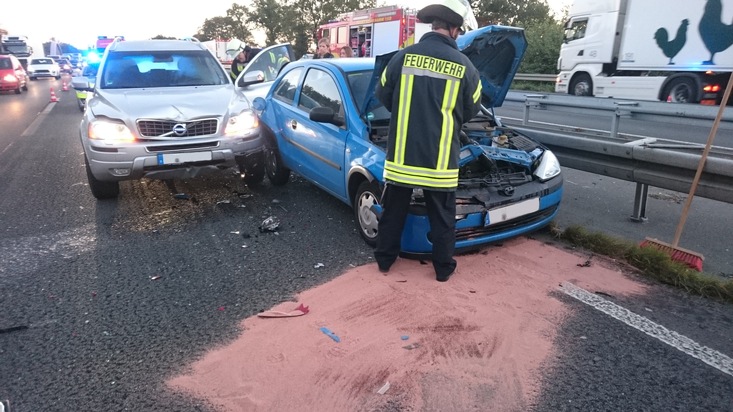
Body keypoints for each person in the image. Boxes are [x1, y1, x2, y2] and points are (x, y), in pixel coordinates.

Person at [373, 0, 481, 282]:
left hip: (402, 156)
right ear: (456, 30)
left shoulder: (403, 57)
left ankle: (385, 261)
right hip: (441, 159)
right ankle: (443, 270)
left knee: (393, 211)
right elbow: (471, 109)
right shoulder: (465, 66)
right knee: (442, 217)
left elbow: (383, 94)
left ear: (432, 26)